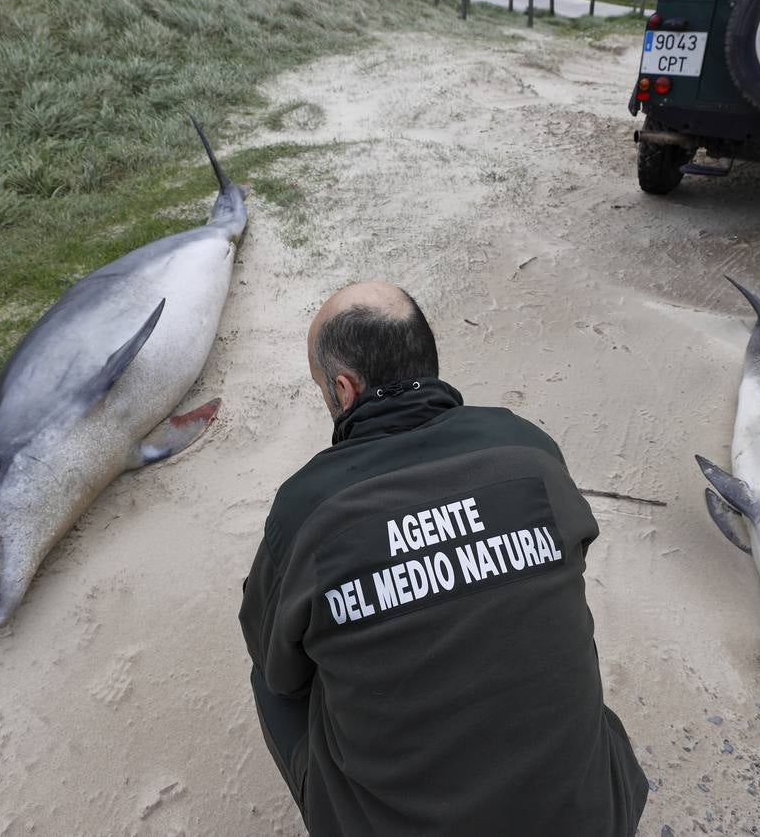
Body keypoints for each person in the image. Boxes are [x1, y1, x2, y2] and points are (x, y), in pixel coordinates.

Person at [239, 282, 649, 836]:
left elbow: (280, 671)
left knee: (273, 673)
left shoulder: (306, 506)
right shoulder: (529, 449)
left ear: (343, 389)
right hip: (597, 819)